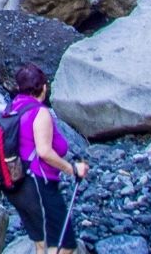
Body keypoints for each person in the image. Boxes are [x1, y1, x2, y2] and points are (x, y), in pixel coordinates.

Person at [5, 63, 89, 254]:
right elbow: (44, 152)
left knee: (41, 242)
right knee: (63, 245)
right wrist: (72, 169)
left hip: (17, 184)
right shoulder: (39, 112)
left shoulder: (12, 108)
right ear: (43, 87)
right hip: (39, 185)